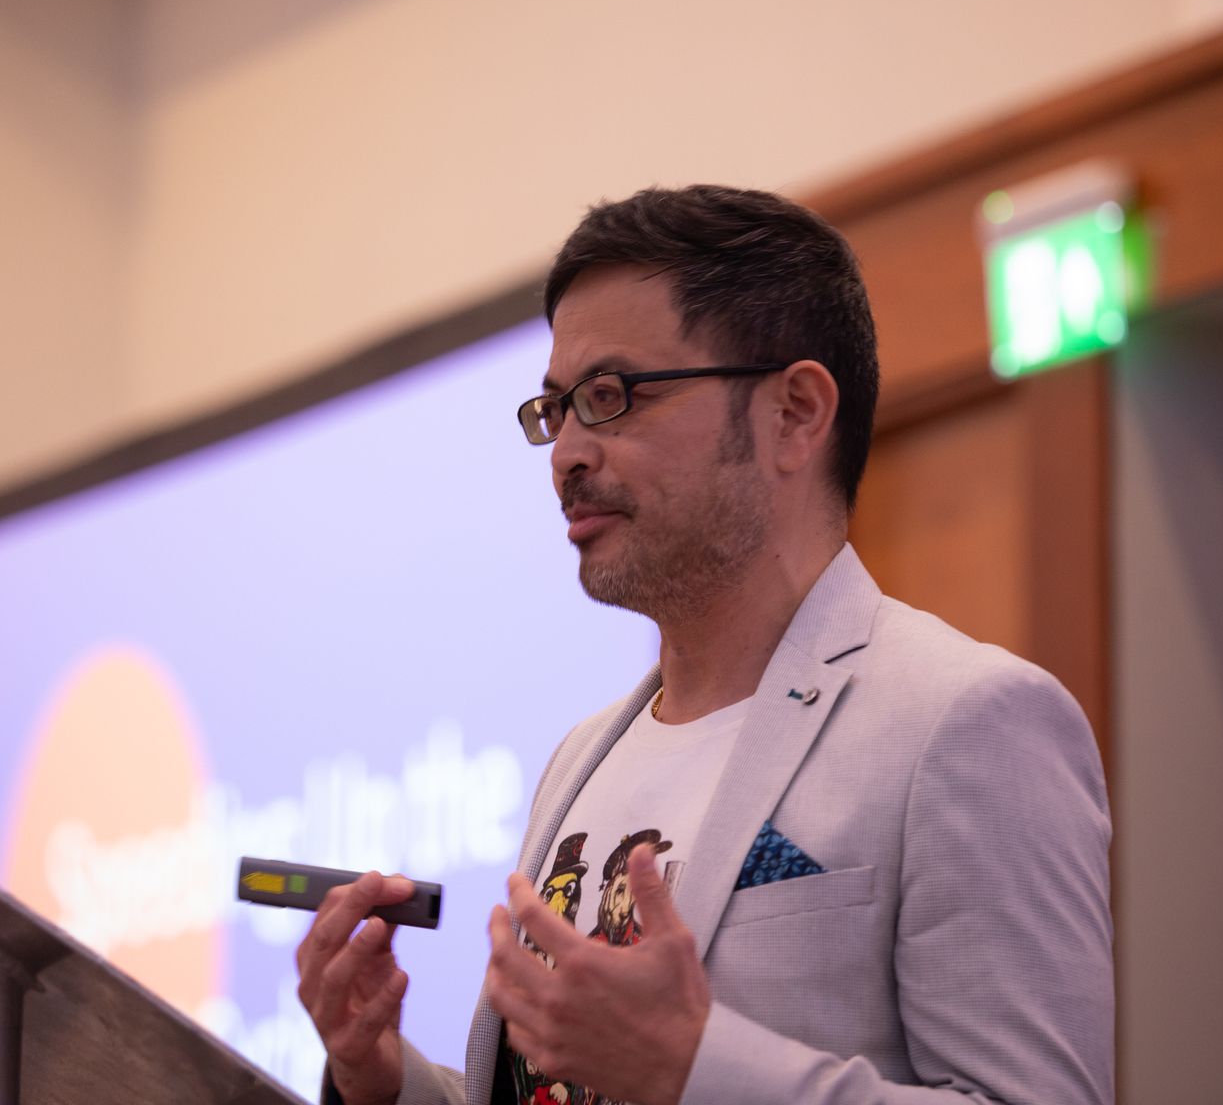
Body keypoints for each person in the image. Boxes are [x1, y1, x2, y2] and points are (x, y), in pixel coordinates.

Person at [294, 186, 1113, 1105]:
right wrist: (381, 1080)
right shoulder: (584, 757)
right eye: (554, 408)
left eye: (610, 396)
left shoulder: (964, 721)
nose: (565, 450)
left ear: (795, 414)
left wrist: (698, 1070)